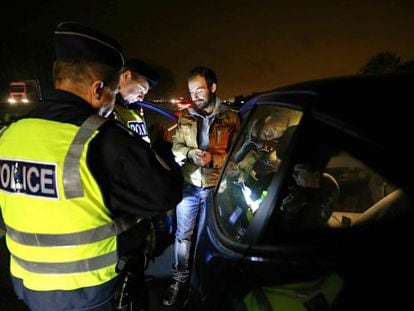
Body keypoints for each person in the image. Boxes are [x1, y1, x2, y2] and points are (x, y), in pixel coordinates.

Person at [0, 21, 182, 311]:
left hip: (26, 284)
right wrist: (162, 150)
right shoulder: (102, 139)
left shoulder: (10, 134)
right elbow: (165, 193)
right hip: (86, 292)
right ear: (99, 89)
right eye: (112, 92)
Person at [161, 67, 240, 306]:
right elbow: (175, 147)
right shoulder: (185, 116)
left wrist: (213, 160)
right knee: (183, 236)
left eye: (200, 89)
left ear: (213, 88)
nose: (195, 96)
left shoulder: (231, 118)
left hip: (216, 188)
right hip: (190, 186)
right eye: (191, 91)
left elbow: (239, 157)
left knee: (208, 239)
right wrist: (188, 152)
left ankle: (201, 285)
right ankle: (179, 281)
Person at [111, 58, 159, 143]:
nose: (141, 98)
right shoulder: (105, 108)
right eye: (141, 90)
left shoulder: (132, 109)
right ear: (126, 76)